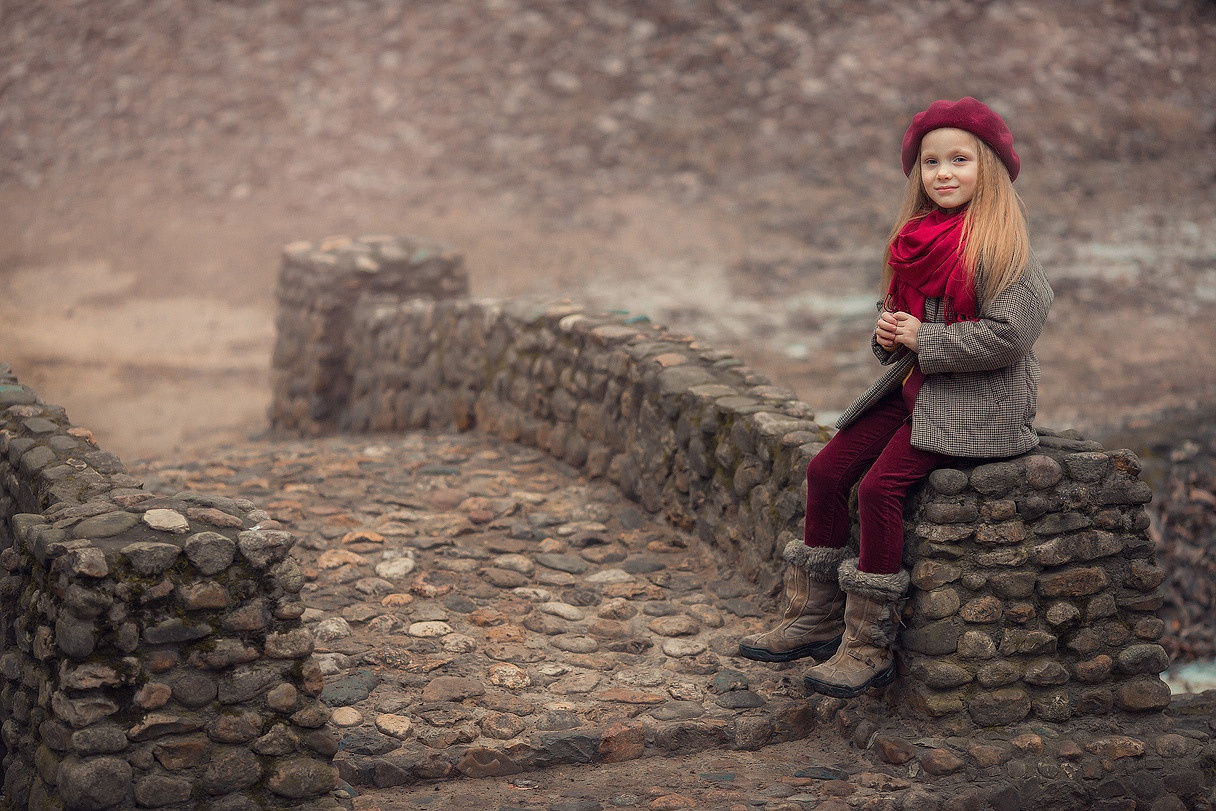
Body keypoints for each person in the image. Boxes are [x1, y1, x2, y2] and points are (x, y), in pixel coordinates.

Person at [738, 97, 1053, 699]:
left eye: (960, 159)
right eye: (931, 162)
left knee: (882, 488)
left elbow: (1010, 339)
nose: (943, 172)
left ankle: (868, 643)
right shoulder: (915, 241)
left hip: (979, 408)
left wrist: (923, 337)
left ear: (989, 167)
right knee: (827, 470)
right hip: (919, 388)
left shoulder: (1005, 253)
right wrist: (888, 329)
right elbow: (904, 327)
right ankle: (815, 617)